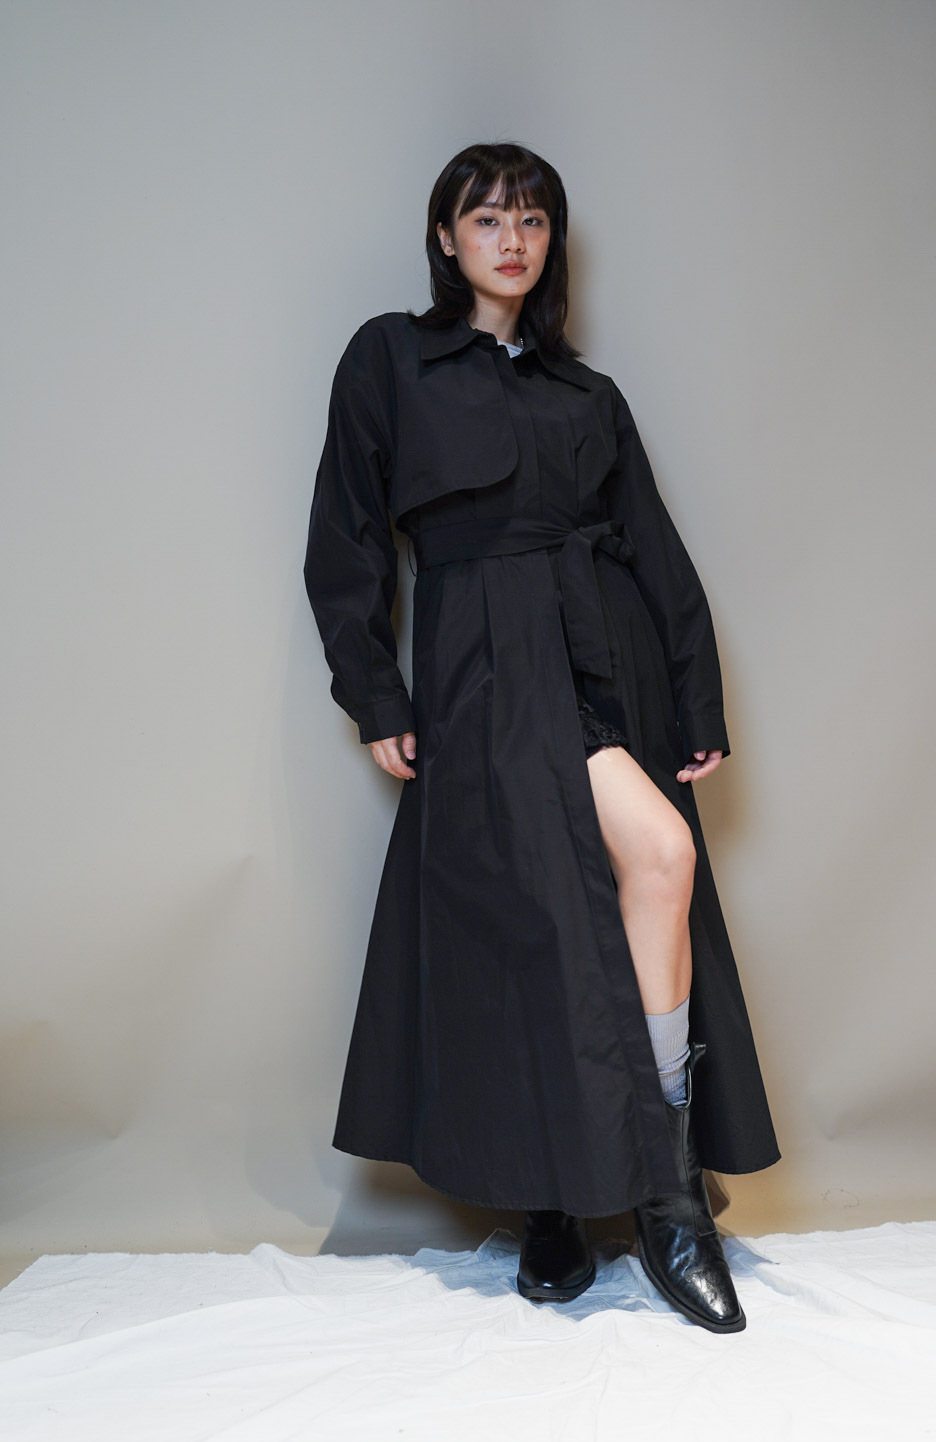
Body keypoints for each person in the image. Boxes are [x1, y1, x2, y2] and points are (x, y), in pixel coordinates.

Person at [303, 142, 780, 1335]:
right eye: (486, 219)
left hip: (601, 662)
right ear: (445, 237)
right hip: (478, 670)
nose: (510, 240)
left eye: (530, 220)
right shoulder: (390, 359)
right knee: (530, 928)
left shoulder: (586, 397)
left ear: (551, 240)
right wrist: (376, 696)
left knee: (651, 866)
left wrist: (698, 697)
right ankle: (553, 1204)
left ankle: (667, 1197)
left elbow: (653, 547)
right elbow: (346, 538)